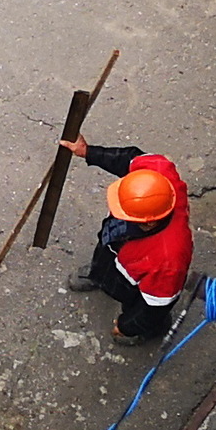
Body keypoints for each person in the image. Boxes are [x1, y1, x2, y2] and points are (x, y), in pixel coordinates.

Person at [60, 135, 194, 345]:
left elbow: (155, 306)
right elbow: (129, 159)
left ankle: (147, 333)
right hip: (115, 249)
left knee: (142, 310)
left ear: (149, 223)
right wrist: (89, 152)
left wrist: (127, 326)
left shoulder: (169, 261)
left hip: (132, 284)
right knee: (104, 256)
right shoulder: (158, 170)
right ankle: (98, 275)